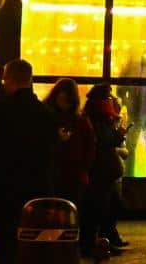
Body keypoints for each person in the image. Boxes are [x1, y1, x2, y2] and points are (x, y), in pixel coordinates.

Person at [0, 60, 59, 264]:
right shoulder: (45, 113)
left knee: (6, 246)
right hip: (37, 190)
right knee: (33, 247)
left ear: (8, 78)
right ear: (30, 79)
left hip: (5, 191)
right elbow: (51, 154)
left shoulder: (0, 112)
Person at [81, 82, 127, 256]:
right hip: (100, 171)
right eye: (108, 97)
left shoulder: (104, 116)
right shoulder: (97, 117)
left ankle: (102, 241)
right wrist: (116, 136)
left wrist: (118, 135)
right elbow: (102, 142)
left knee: (104, 207)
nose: (111, 100)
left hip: (106, 171)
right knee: (96, 209)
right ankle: (92, 244)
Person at [45, 79, 96, 231]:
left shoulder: (76, 119)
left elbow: (90, 145)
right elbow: (90, 145)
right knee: (67, 209)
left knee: (63, 209)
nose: (64, 103)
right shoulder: (78, 118)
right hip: (61, 171)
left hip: (68, 171)